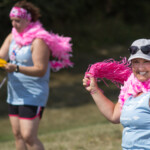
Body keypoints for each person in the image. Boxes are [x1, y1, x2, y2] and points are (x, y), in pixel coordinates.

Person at [0, 1, 72, 150]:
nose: (14, 24)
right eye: (12, 20)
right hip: (14, 92)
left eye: (17, 21)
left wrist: (16, 68)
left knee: (28, 136)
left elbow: (40, 69)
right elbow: (1, 56)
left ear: (28, 19)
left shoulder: (39, 40)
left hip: (32, 93)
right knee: (18, 134)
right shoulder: (12, 36)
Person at [83, 38, 150, 149]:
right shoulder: (130, 89)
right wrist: (94, 90)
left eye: (146, 61)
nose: (140, 67)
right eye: (136, 62)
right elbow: (114, 115)